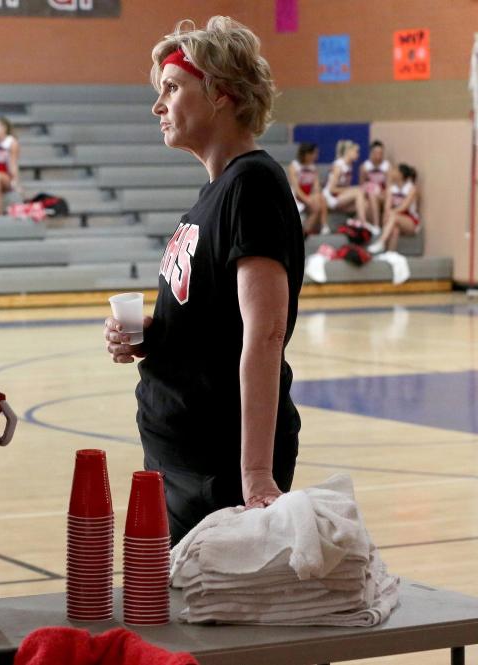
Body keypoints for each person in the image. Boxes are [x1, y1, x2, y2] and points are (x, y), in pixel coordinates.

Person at [103, 16, 304, 546]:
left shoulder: (253, 184)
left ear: (221, 92)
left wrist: (256, 473)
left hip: (220, 465)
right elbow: (212, 324)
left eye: (171, 87)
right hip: (178, 455)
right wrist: (152, 335)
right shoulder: (212, 196)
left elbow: (265, 331)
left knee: (210, 623)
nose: (158, 105)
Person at [323, 139, 376, 229]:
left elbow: (345, 187)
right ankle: (363, 223)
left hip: (340, 198)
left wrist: (349, 190)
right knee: (358, 191)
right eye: (356, 152)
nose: (358, 154)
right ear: (348, 152)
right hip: (330, 198)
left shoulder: (349, 166)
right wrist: (351, 190)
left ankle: (355, 223)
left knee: (366, 204)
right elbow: (332, 189)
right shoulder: (339, 166)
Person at [368, 163, 420, 253]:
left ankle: (381, 242)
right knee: (395, 229)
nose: (391, 172)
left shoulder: (412, 188)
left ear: (400, 174)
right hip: (394, 218)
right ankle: (390, 254)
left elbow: (404, 207)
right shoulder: (391, 188)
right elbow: (387, 206)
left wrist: (390, 214)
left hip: (410, 221)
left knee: (393, 216)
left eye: (395, 170)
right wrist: (386, 215)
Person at [288, 142, 327, 235]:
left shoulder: (313, 167)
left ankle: (313, 228)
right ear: (306, 154)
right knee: (317, 204)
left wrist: (314, 197)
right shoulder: (294, 166)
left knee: (320, 198)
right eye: (314, 153)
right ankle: (319, 225)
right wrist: (308, 200)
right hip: (297, 197)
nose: (316, 156)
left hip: (310, 196)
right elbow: (296, 189)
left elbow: (316, 187)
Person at [359, 140, 391, 228]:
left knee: (374, 195)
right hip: (370, 193)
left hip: (382, 194)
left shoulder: (387, 166)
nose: (379, 155)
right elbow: (362, 185)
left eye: (381, 153)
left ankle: (376, 225)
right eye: (376, 152)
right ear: (371, 153)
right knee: (366, 204)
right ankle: (372, 225)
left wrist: (383, 193)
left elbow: (389, 186)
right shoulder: (365, 167)